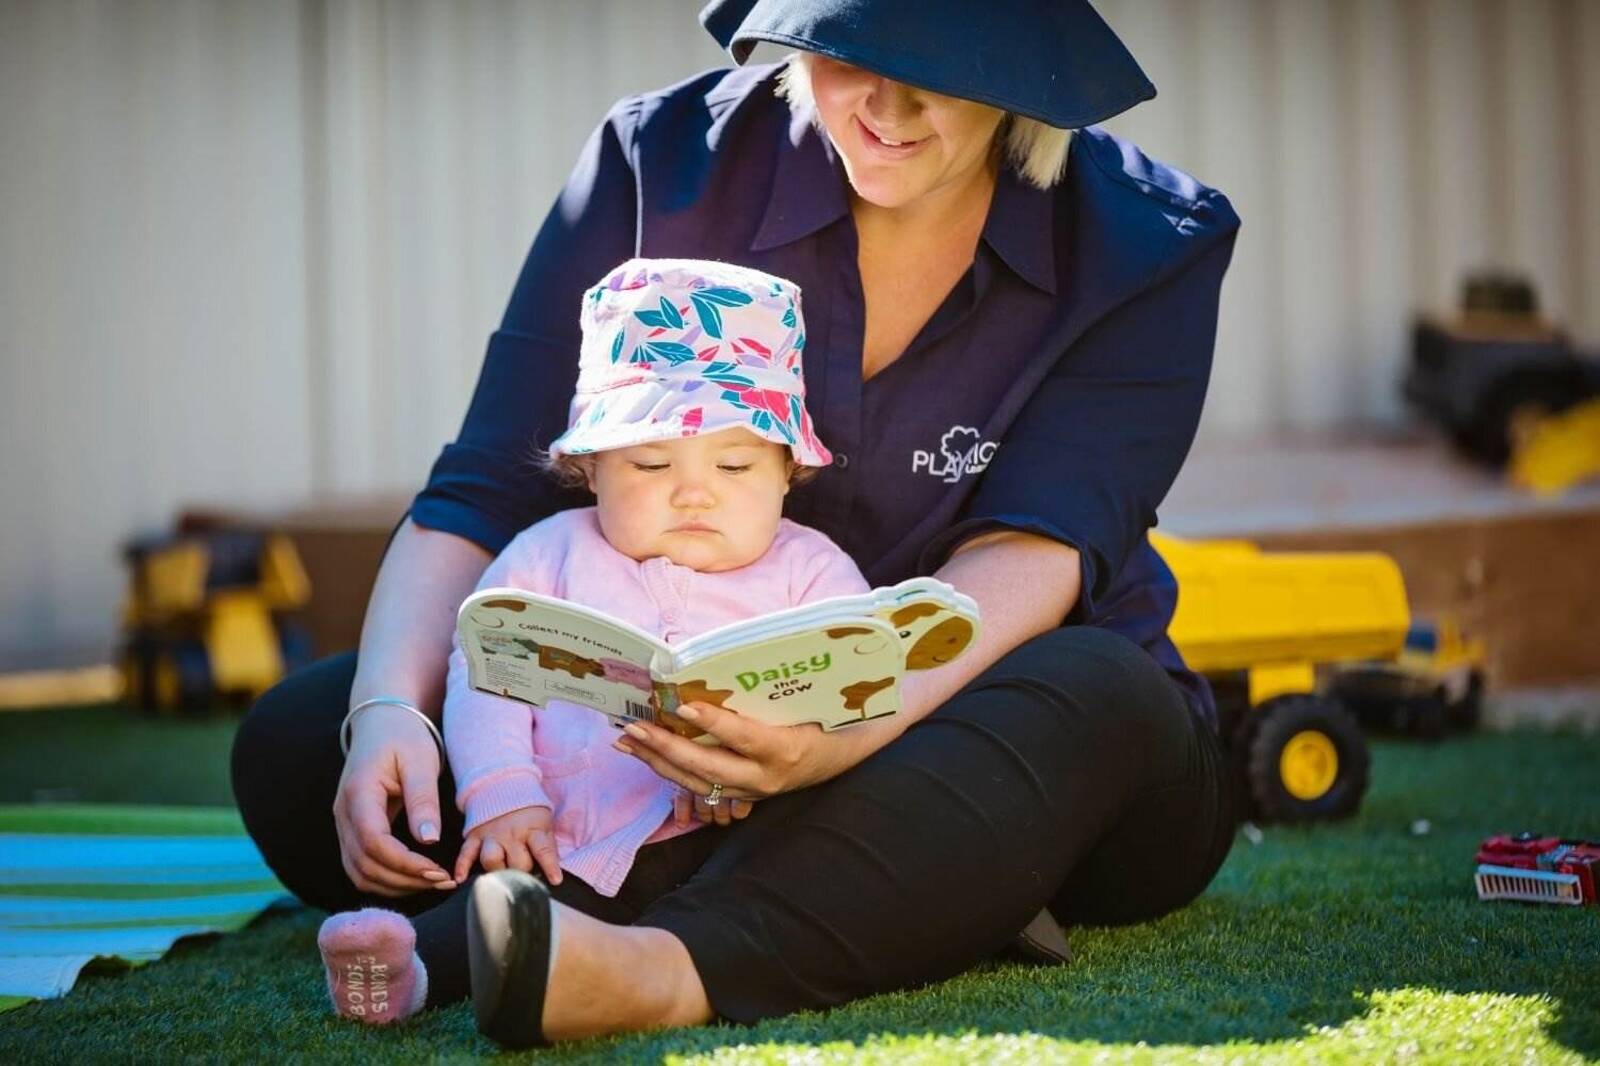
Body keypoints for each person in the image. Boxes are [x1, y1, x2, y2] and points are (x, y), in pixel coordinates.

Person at [231, 0, 1242, 1047]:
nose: (885, 109)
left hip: (973, 720)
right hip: (659, 748)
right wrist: (388, 709)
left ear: (1026, 70)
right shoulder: (654, 160)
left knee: (1097, 687)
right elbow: (485, 486)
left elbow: (1032, 550)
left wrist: (836, 742)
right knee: (303, 742)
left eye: (937, 76)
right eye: (852, 55)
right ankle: (908, 892)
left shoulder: (1149, 243)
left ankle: (660, 969)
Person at [312, 257, 876, 1024]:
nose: (694, 491)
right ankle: (405, 972)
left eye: (736, 463)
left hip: (735, 834)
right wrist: (502, 793)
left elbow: (850, 685)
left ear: (787, 471)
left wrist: (766, 756)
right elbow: (485, 674)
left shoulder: (814, 572)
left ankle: (632, 965)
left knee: (781, 867)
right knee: (508, 896)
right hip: (561, 833)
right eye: (650, 462)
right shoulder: (547, 556)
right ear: (590, 469)